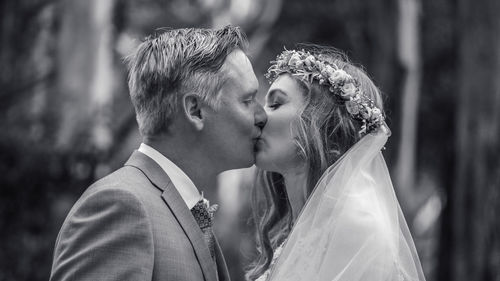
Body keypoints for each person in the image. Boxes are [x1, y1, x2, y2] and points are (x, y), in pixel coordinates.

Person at [50, 25, 267, 281]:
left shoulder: (184, 208)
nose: (262, 115)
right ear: (195, 110)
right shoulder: (121, 205)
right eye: (247, 100)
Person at [248, 45, 426, 281]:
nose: (259, 116)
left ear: (323, 128)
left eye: (276, 104)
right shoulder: (303, 230)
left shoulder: (358, 228)